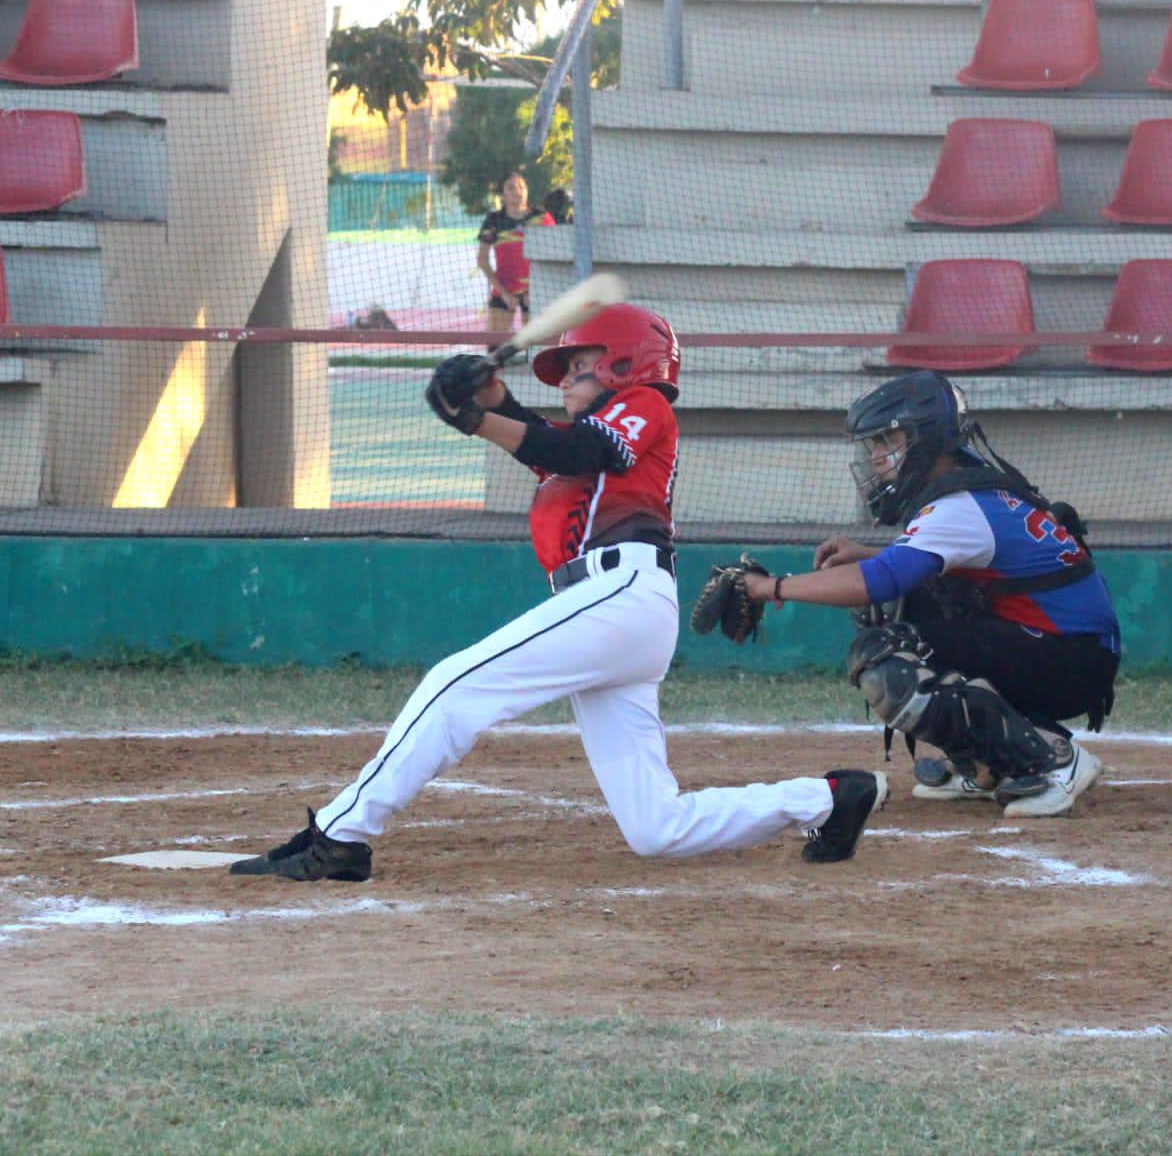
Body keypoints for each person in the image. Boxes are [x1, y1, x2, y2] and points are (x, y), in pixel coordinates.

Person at [231, 304, 888, 881]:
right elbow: (549, 448)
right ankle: (829, 799)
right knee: (656, 827)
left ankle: (341, 835)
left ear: (623, 364)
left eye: (579, 365)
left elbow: (581, 452)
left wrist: (476, 419)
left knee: (453, 686)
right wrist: (488, 401)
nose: (568, 377)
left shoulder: (646, 405)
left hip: (621, 593)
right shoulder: (584, 435)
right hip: (615, 612)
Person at [742, 370, 1120, 818]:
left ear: (924, 439)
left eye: (888, 441)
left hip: (1070, 660)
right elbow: (941, 568)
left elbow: (880, 579)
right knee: (907, 609)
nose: (877, 457)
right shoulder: (973, 488)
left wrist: (770, 588)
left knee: (886, 652)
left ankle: (1052, 758)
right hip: (1069, 651)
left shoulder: (959, 505)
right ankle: (991, 763)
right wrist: (867, 554)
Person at [476, 170, 538, 334]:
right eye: (511, 187)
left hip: (536, 291)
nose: (517, 191)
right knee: (494, 350)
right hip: (504, 289)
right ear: (503, 195)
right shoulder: (494, 221)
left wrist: (536, 288)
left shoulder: (541, 217)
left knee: (538, 349)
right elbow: (482, 261)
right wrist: (504, 293)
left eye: (521, 186)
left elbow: (555, 254)